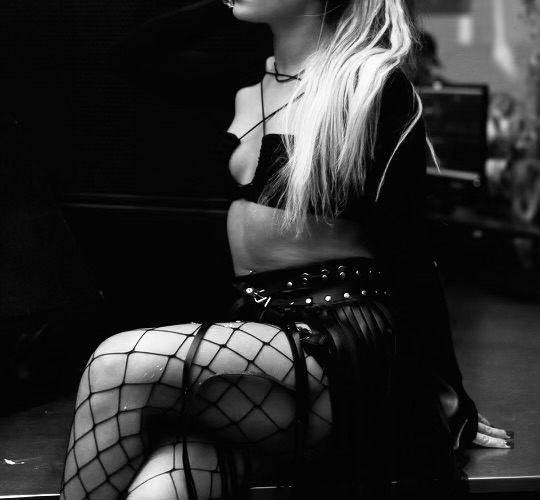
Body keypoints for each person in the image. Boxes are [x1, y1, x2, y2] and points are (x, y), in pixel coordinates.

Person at [60, 1, 514, 499]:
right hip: (260, 332)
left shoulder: (369, 84)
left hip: (338, 342)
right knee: (164, 484)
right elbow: (131, 58)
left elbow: (411, 252)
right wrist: (224, 4)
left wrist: (449, 395)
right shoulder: (248, 82)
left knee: (117, 365)